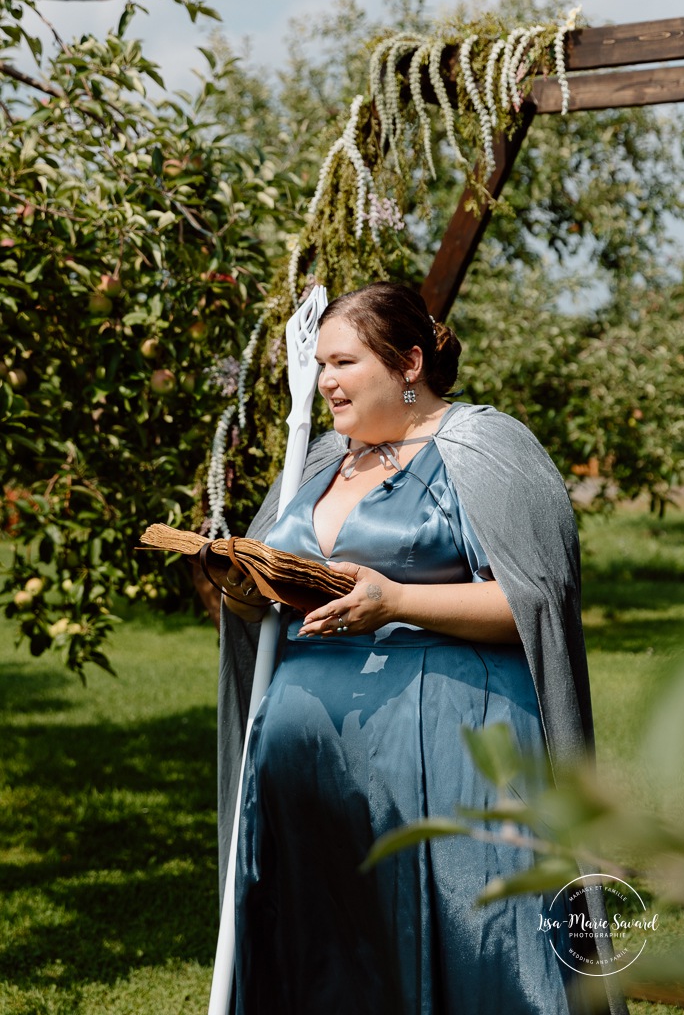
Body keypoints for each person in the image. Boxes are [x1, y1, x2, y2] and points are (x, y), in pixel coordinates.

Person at [217, 282, 627, 1015]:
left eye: (342, 362)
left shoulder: (482, 448)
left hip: (446, 761)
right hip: (306, 774)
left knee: (468, 954)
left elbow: (536, 602)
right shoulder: (314, 463)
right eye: (318, 364)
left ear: (408, 362)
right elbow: (268, 588)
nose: (324, 381)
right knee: (332, 966)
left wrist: (396, 601)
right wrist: (243, 587)